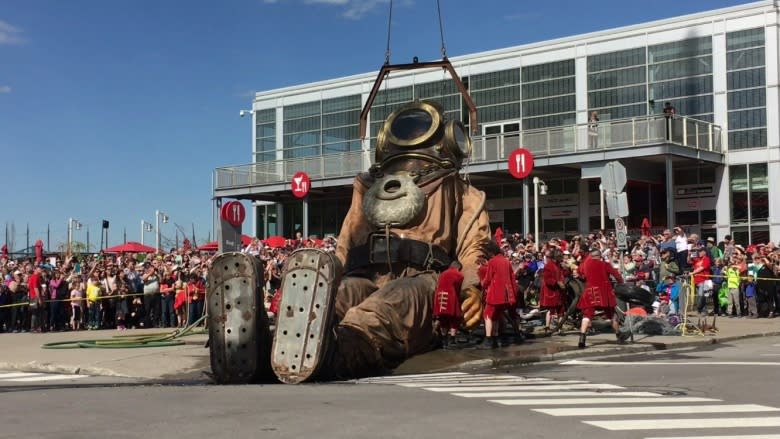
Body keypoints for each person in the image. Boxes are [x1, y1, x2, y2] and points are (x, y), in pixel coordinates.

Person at [207, 100, 490, 383]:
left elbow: (473, 247)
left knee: (387, 307)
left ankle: (335, 354)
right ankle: (255, 348)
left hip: (423, 279)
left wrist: (471, 289)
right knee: (338, 298)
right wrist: (326, 279)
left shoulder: (460, 190)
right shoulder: (368, 188)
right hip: (366, 275)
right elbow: (345, 246)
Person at [577, 247, 625, 348]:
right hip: (603, 292)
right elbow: (616, 274)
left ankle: (582, 338)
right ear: (600, 256)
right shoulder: (604, 264)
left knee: (587, 314)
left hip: (590, 291)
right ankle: (618, 335)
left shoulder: (585, 264)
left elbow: (580, 273)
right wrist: (621, 283)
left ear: (591, 256)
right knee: (611, 314)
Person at [478, 242, 517, 349]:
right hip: (505, 295)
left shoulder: (492, 262)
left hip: (495, 294)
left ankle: (489, 339)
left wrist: (483, 284)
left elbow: (488, 279)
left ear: (490, 252)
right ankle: (496, 338)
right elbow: (512, 278)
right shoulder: (506, 261)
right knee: (495, 316)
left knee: (487, 315)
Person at [433, 261, 464, 350]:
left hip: (439, 297)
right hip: (451, 297)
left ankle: (444, 341)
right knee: (455, 318)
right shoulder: (459, 275)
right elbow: (457, 290)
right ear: (458, 268)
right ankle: (452, 340)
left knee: (443, 318)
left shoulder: (442, 274)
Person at [539, 248, 565, 334]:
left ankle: (560, 328)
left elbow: (563, 275)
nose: (562, 258)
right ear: (556, 257)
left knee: (561, 310)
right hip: (551, 291)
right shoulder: (548, 266)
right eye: (560, 257)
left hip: (559, 292)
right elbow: (547, 279)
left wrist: (566, 269)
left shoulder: (559, 265)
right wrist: (557, 282)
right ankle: (547, 327)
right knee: (551, 310)